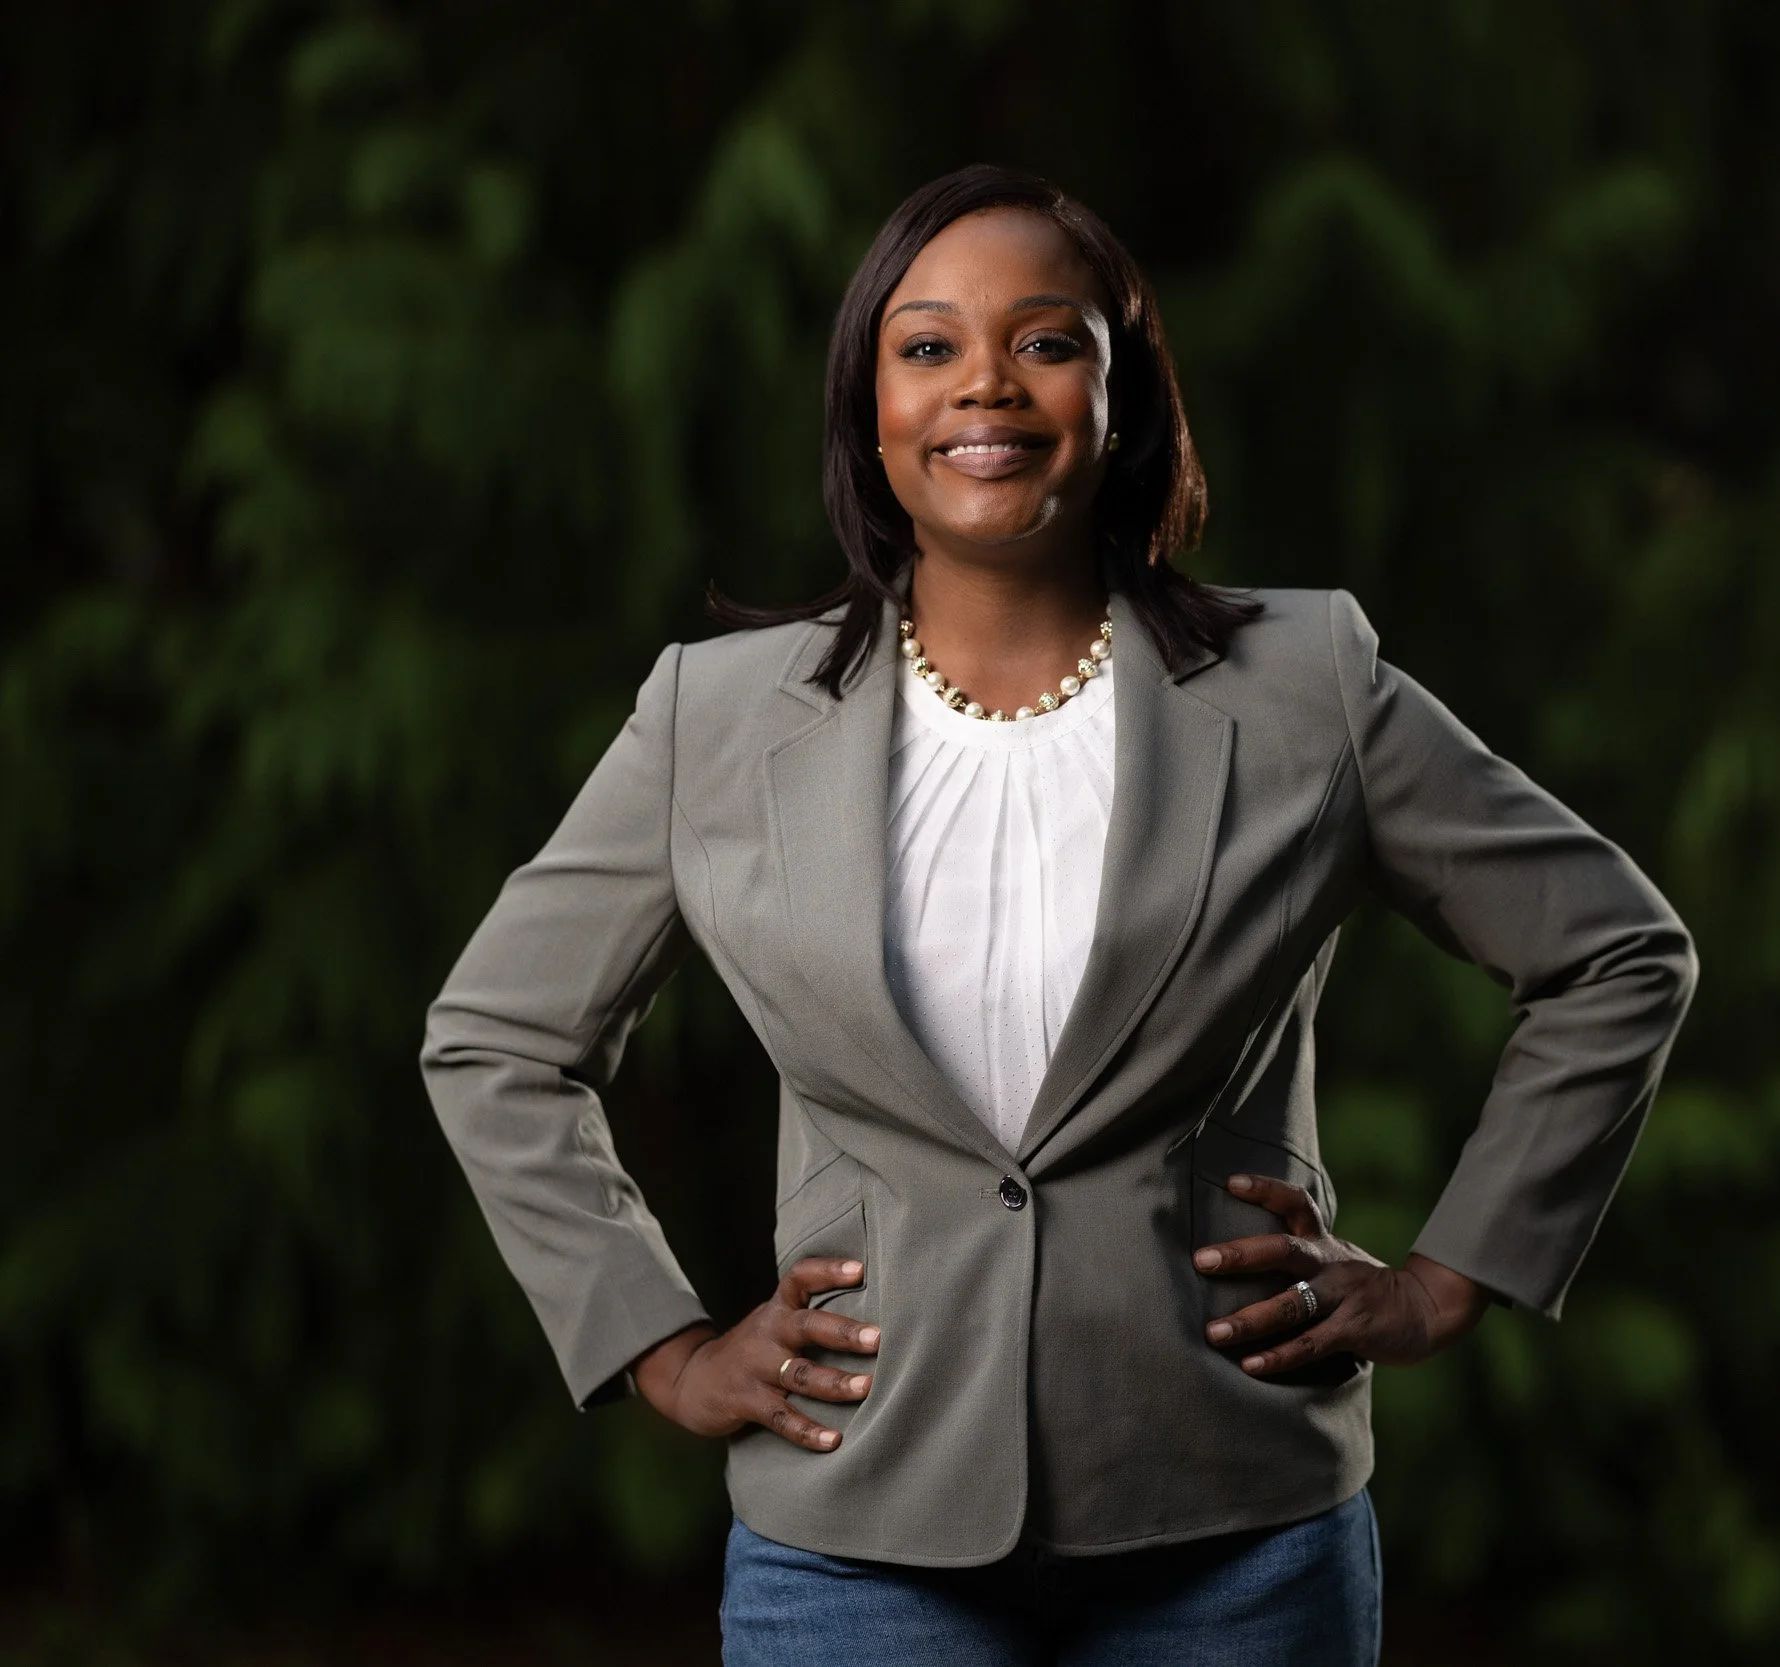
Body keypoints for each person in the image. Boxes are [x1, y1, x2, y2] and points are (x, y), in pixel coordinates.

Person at [419, 163, 1696, 1666]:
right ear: (867, 402)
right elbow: (496, 1035)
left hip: (1238, 1531)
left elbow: (1615, 950)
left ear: (1122, 388)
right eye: (928, 345)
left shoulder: (1307, 689)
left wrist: (1445, 1280)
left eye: (1047, 339)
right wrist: (659, 1346)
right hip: (856, 1538)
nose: (987, 386)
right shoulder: (714, 722)